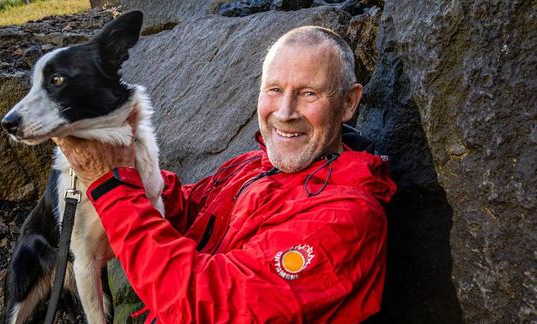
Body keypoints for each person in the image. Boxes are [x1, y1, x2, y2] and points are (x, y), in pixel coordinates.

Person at [54, 26, 397, 323]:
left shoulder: (346, 216)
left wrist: (111, 185)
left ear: (349, 103)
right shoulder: (253, 165)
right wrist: (126, 161)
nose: (285, 112)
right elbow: (187, 214)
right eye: (274, 90)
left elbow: (205, 306)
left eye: (309, 93)